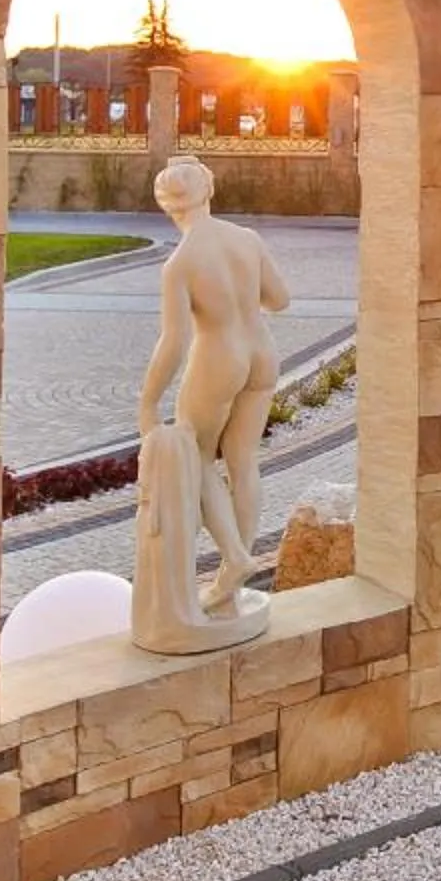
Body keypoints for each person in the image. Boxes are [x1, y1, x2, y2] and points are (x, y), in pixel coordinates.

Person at [131, 155, 288, 651]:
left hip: (219, 357)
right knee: (243, 463)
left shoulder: (180, 263)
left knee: (198, 458)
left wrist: (148, 401)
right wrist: (243, 300)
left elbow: (173, 343)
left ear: (165, 205)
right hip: (262, 352)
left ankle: (235, 560)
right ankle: (230, 587)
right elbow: (279, 299)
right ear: (210, 189)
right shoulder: (246, 238)